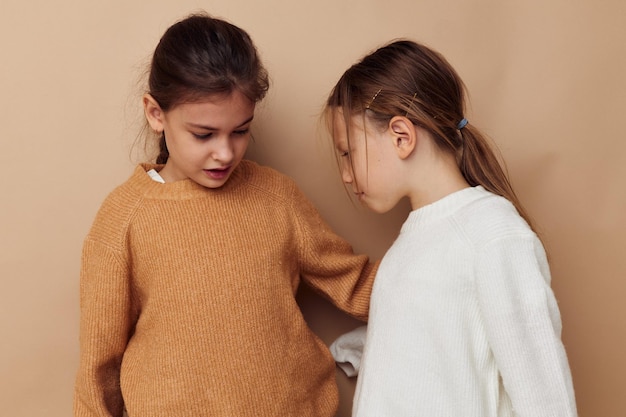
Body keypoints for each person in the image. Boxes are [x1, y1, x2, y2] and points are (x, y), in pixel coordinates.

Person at [74, 12, 378, 417]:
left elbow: (354, 282)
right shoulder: (124, 219)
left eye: (240, 130)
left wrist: (448, 275)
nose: (225, 152)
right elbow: (99, 365)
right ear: (155, 113)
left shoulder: (276, 196)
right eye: (203, 134)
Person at [324, 39, 578, 416]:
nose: (345, 175)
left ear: (401, 136)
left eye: (348, 153)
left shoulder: (492, 234)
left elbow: (543, 393)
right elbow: (441, 341)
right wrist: (363, 348)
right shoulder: (415, 241)